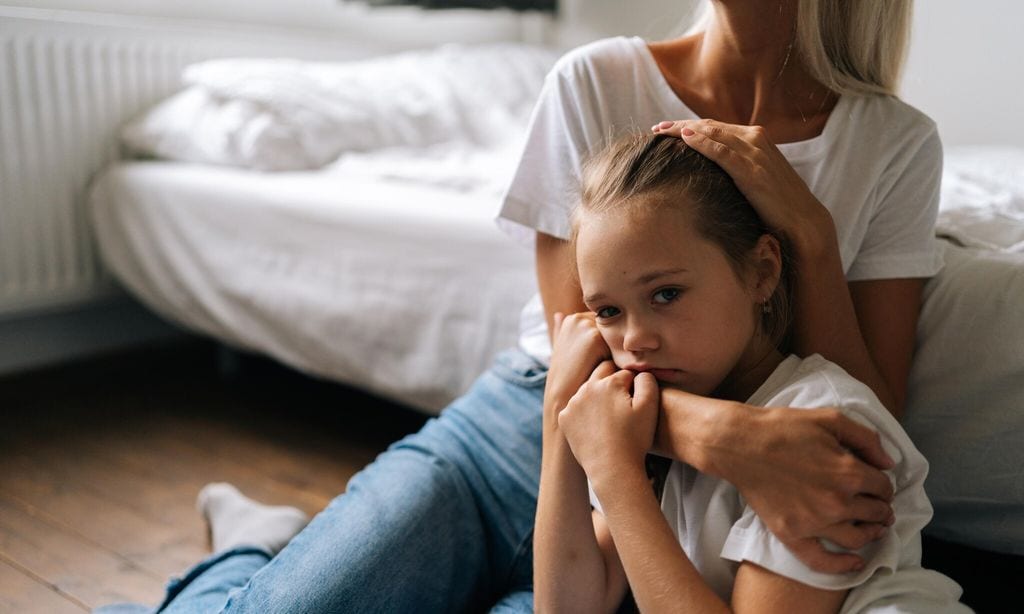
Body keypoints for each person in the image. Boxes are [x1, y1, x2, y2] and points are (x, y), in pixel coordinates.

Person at [97, 1, 945, 612]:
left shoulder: (894, 140)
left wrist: (810, 233)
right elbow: (579, 345)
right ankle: (256, 544)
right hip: (525, 431)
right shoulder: (597, 78)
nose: (639, 322)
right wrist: (719, 437)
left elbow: (873, 412)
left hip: (673, 513)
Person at [534, 132, 966, 613]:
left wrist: (616, 474)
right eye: (609, 311)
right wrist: (559, 414)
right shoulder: (645, 421)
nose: (635, 341)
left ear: (761, 271)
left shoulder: (824, 420)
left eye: (666, 294)